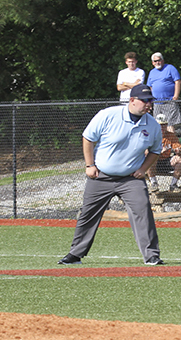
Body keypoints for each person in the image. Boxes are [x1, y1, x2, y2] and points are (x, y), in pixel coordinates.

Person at [58, 84, 164, 265]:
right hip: (101, 176)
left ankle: (151, 256)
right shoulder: (108, 115)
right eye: (145, 101)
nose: (149, 105)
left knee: (143, 210)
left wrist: (143, 169)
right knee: (88, 214)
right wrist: (89, 165)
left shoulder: (152, 125)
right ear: (132, 100)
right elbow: (88, 138)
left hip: (131, 179)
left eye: (151, 101)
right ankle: (75, 254)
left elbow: (155, 150)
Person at [146, 113, 181, 192]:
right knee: (151, 158)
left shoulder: (171, 136)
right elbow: (146, 152)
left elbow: (178, 148)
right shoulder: (150, 135)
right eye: (159, 125)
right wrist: (158, 151)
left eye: (164, 125)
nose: (162, 127)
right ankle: (153, 183)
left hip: (166, 161)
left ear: (166, 125)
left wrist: (178, 151)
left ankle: (173, 184)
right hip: (153, 162)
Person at [147, 52, 181, 130]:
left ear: (163, 60)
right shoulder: (152, 72)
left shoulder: (170, 68)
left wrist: (176, 96)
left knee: (170, 125)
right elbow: (150, 86)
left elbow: (177, 81)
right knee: (158, 126)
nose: (157, 62)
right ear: (152, 63)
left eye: (159, 60)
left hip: (169, 102)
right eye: (155, 61)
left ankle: (172, 142)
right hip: (157, 103)